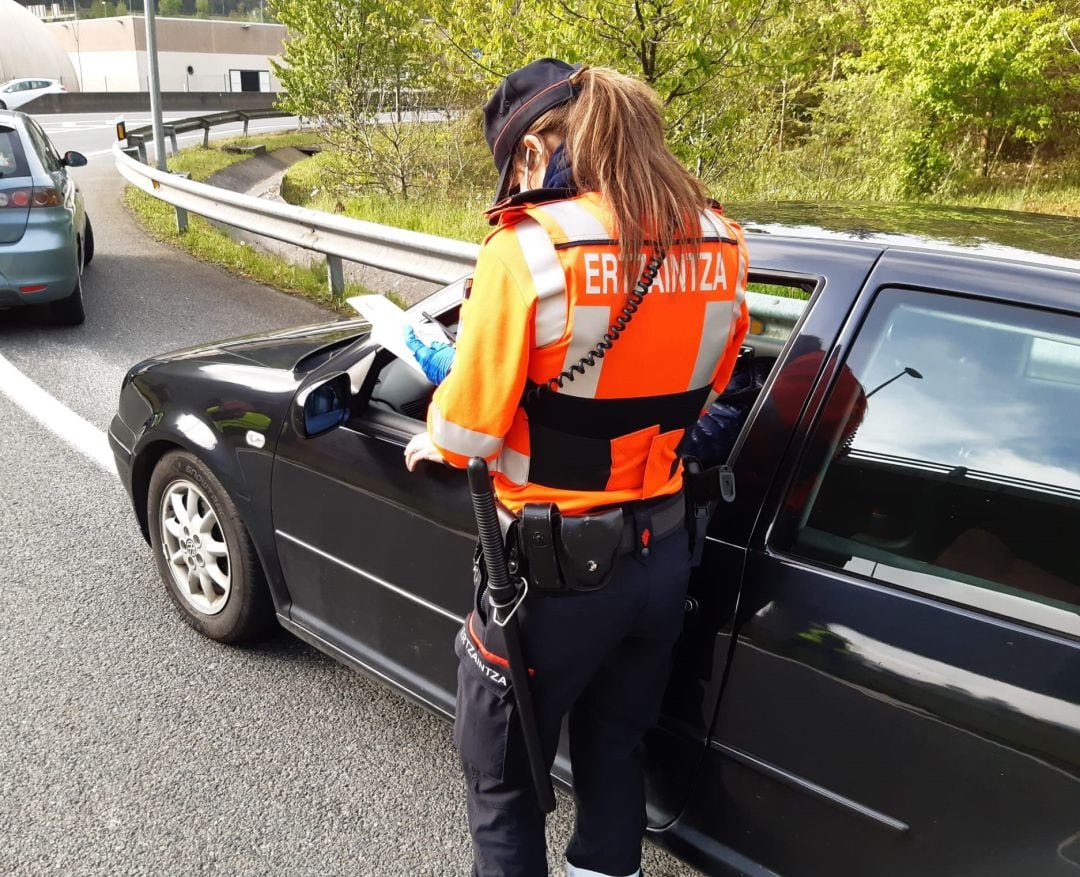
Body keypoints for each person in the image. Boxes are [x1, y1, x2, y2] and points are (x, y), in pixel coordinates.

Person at [404, 58, 749, 877]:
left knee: (502, 774)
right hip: (662, 556)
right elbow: (709, 397)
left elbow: (469, 429)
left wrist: (435, 436)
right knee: (616, 747)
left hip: (552, 578)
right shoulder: (722, 242)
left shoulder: (528, 250)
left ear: (542, 146)